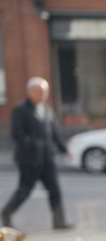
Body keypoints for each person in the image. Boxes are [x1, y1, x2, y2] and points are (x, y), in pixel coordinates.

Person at [2, 77, 73, 230]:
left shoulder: (47, 109)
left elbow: (55, 133)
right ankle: (6, 214)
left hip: (47, 159)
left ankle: (59, 221)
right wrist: (35, 144)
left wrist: (64, 149)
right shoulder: (20, 110)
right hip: (29, 160)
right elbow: (17, 134)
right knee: (24, 190)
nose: (44, 94)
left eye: (45, 92)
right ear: (31, 92)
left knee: (55, 190)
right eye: (41, 91)